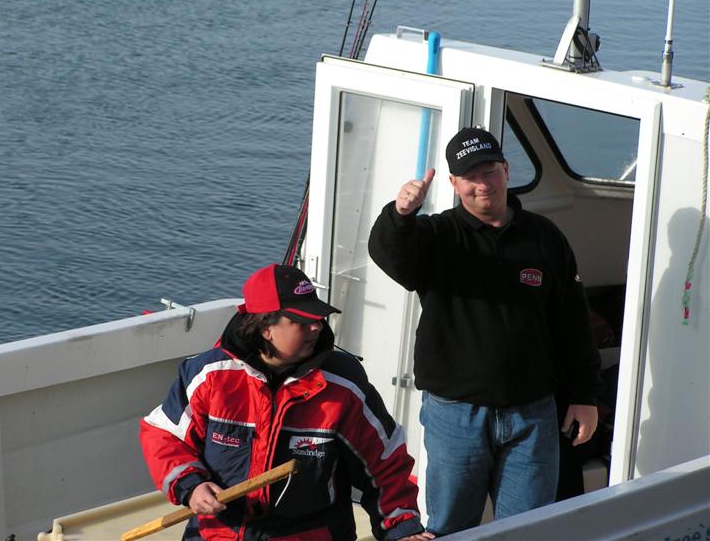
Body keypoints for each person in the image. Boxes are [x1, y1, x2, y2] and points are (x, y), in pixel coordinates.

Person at [367, 127, 602, 535]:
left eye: (489, 171)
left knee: (527, 530)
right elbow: (391, 255)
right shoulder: (435, 235)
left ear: (506, 171)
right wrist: (401, 215)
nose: (482, 184)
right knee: (451, 529)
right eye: (470, 177)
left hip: (532, 415)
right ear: (454, 183)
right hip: (455, 416)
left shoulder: (545, 237)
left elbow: (573, 321)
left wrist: (585, 395)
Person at [139, 263, 434, 541]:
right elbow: (164, 436)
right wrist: (191, 486)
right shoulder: (209, 375)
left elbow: (384, 463)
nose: (316, 327)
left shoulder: (343, 385)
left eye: (317, 318)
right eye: (301, 321)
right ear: (265, 328)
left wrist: (401, 528)